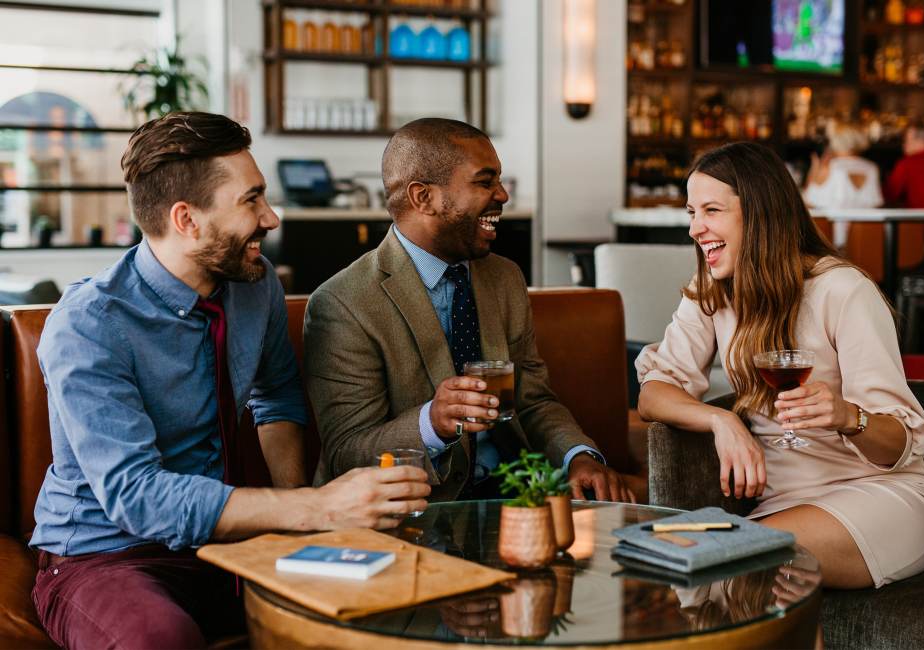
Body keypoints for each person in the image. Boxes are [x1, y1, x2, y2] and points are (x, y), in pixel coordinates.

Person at [29, 111, 430, 649]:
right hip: (107, 553)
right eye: (251, 200)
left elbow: (278, 395)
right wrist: (318, 507)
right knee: (160, 638)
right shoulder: (88, 324)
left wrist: (301, 521)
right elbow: (137, 496)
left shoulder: (253, 283)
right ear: (186, 219)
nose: (271, 218)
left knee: (392, 600)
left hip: (226, 541)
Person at [637, 142, 924, 589]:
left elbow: (898, 444)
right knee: (742, 577)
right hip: (787, 507)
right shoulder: (712, 291)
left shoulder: (842, 290)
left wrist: (845, 416)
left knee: (725, 556)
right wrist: (722, 421)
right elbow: (653, 394)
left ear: (759, 213)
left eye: (712, 210)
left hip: (882, 498)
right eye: (691, 213)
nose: (695, 228)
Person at [304, 117, 634, 502]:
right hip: (415, 512)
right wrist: (432, 423)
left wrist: (578, 457)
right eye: (484, 181)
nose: (502, 195)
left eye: (499, 181)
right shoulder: (343, 303)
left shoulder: (504, 277)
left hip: (515, 500)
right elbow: (348, 452)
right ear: (422, 197)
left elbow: (533, 400)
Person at [803, 123, 883, 251]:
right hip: (864, 243)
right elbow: (876, 204)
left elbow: (806, 203)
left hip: (830, 242)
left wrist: (814, 169)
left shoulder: (829, 167)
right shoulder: (872, 168)